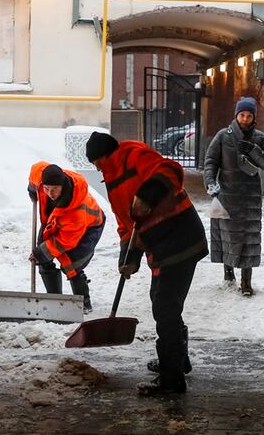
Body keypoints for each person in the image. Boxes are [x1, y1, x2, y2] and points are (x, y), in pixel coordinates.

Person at [85, 131, 207, 396]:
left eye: (97, 163)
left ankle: (171, 380)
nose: (98, 169)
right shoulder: (113, 182)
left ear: (106, 156)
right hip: (160, 248)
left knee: (165, 307)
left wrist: (147, 196)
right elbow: (127, 225)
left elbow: (171, 170)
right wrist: (128, 259)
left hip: (180, 239)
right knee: (163, 302)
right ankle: (176, 361)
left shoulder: (132, 155)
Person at [203, 96, 264, 296]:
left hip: (250, 198)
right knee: (227, 236)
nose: (245, 119)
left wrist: (254, 150)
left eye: (249, 115)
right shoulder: (222, 136)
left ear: (254, 117)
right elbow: (210, 161)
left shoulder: (260, 138)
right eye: (242, 115)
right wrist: (210, 182)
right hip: (227, 195)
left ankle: (246, 283)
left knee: (248, 239)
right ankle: (228, 274)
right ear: (236, 115)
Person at [27, 162, 105, 312]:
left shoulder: (75, 211)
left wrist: (40, 253)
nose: (50, 193)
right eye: (46, 189)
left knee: (71, 264)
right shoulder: (41, 174)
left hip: (89, 226)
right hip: (53, 221)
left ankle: (83, 304)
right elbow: (34, 171)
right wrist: (32, 189)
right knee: (43, 259)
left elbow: (63, 242)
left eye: (55, 189)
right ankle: (55, 300)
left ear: (62, 186)